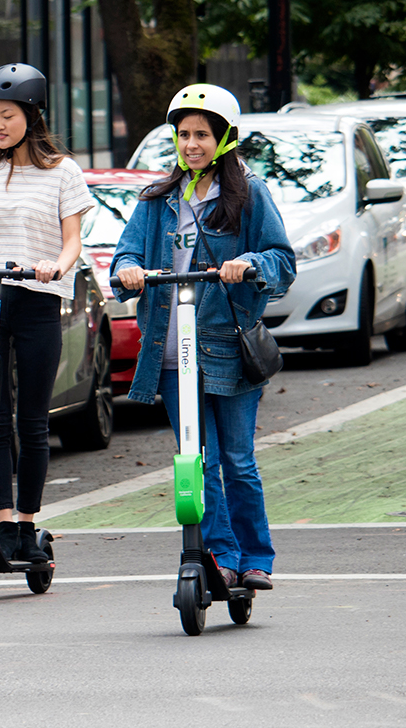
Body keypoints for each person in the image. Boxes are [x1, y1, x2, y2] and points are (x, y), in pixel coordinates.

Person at [111, 84, 295, 591]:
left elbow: (281, 260)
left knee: (236, 460)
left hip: (227, 350)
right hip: (169, 354)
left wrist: (249, 263)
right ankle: (220, 555)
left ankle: (255, 557)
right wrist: (129, 271)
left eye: (202, 135)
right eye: (184, 134)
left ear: (226, 138)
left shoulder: (250, 195)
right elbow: (124, 255)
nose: (191, 144)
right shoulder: (157, 200)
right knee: (198, 459)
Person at [0, 64, 95, 562]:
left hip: (39, 298)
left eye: (7, 115)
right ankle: (1, 522)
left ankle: (27, 520)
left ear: (32, 114)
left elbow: (72, 244)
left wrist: (53, 267)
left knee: (33, 419)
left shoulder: (62, 170)